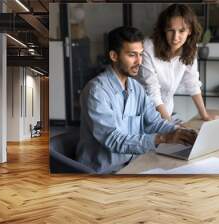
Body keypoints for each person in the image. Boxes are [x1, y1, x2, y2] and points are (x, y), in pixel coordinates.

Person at [75, 26, 197, 174]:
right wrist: (165, 138)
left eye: (140, 54)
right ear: (114, 56)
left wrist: (181, 132)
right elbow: (114, 140)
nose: (139, 61)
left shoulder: (136, 88)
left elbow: (154, 122)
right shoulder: (96, 92)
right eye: (132, 55)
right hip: (104, 172)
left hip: (133, 165)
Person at [137, 4, 216, 121]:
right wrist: (170, 125)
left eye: (182, 31)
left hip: (166, 112)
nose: (175, 37)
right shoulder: (148, 47)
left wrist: (204, 115)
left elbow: (192, 82)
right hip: (142, 114)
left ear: (190, 31)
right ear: (164, 29)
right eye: (170, 30)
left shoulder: (190, 48)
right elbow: (153, 92)